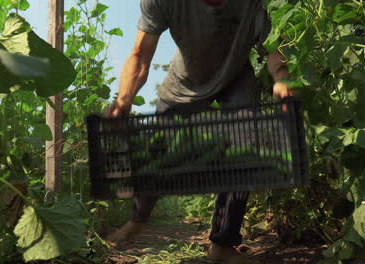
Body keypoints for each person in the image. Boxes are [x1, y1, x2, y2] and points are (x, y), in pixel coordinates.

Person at [105, 0, 292, 263]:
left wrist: (281, 77)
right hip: (185, 83)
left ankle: (223, 244)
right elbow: (140, 54)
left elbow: (272, 45)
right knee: (161, 150)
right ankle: (137, 220)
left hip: (235, 76)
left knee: (245, 142)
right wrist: (124, 98)